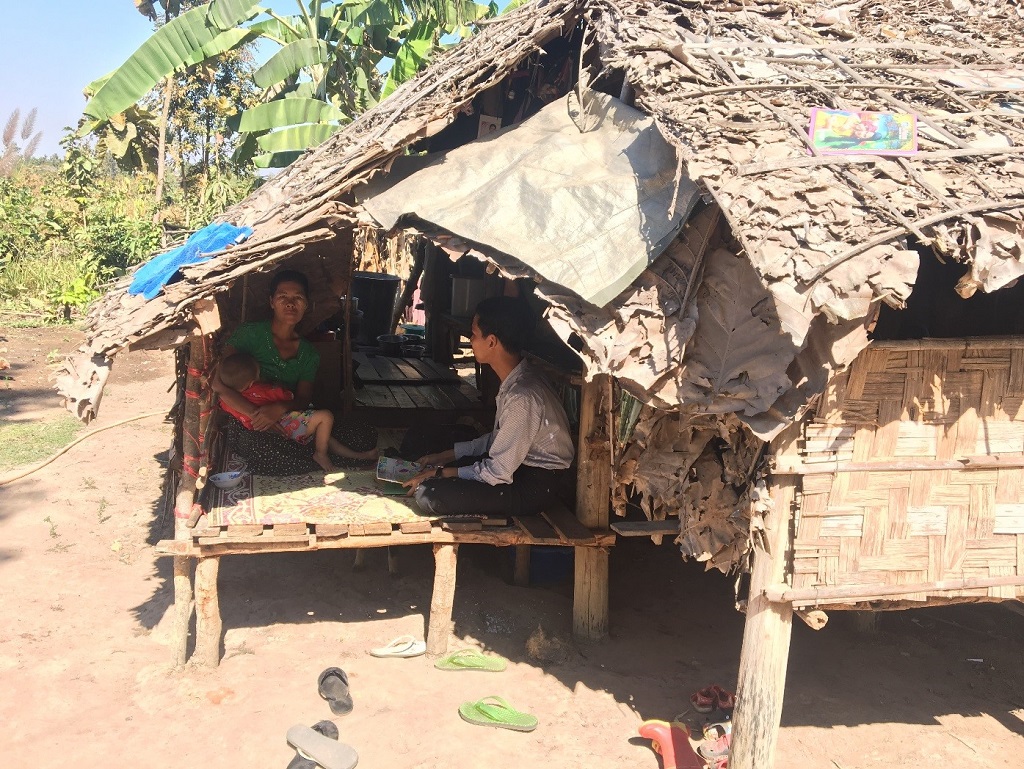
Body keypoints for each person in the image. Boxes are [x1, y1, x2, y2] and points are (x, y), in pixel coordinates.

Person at [402, 296, 575, 516]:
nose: (470, 340)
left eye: (474, 334)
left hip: (532, 486)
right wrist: (444, 457)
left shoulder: (523, 396)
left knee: (430, 494)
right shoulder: (517, 380)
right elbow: (498, 440)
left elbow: (497, 471)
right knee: (421, 438)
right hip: (516, 468)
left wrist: (439, 474)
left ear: (491, 341)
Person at [212, 269, 377, 475]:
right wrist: (258, 416)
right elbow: (219, 382)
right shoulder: (249, 334)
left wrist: (279, 408)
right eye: (283, 297)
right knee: (264, 448)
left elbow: (302, 398)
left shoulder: (309, 353)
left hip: (290, 419)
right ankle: (325, 455)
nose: (290, 303)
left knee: (363, 436)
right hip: (249, 422)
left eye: (298, 297)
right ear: (272, 301)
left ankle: (317, 452)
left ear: (306, 305)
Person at [217, 352, 377, 473]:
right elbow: (288, 396)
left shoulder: (227, 401)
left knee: (325, 438)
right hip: (287, 425)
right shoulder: (261, 390)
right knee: (325, 416)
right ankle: (320, 454)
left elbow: (223, 401)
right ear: (253, 381)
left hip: (268, 433)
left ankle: (360, 457)